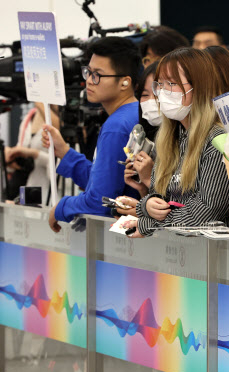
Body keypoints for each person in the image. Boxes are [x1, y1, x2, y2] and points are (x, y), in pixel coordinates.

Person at [124, 47, 229, 237]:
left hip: (211, 256)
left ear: (198, 87)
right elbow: (157, 194)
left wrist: (150, 224)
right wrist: (148, 205)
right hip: (174, 251)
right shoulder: (170, 139)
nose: (163, 92)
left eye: (172, 84)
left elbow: (207, 212)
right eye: (161, 85)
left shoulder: (217, 141)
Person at [42, 37, 141, 232]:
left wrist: (62, 207)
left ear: (124, 82)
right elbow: (107, 182)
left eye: (97, 75)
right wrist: (65, 152)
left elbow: (101, 202)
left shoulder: (117, 125)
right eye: (88, 72)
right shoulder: (135, 113)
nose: (88, 80)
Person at [121, 61, 160, 204]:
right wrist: (142, 187)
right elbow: (154, 207)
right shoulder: (145, 136)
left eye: (157, 94)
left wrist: (150, 179)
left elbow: (185, 208)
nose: (151, 101)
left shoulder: (188, 141)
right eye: (144, 94)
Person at [5, 103, 60, 203]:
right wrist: (11, 157)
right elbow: (21, 160)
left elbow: (61, 170)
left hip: (50, 195)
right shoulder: (29, 118)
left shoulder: (61, 119)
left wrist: (35, 154)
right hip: (27, 193)